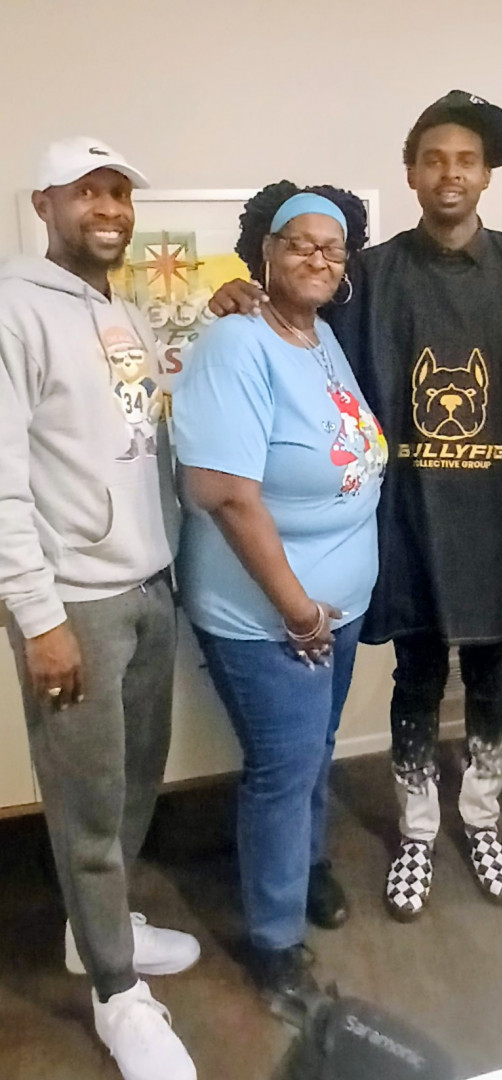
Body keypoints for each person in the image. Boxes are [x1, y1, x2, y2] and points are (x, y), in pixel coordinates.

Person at [210, 91, 502, 921]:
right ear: (412, 173)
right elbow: (294, 299)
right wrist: (235, 293)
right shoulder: (369, 275)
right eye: (434, 159)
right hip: (409, 520)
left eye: (466, 160)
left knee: (491, 677)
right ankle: (418, 831)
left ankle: (483, 818)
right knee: (418, 676)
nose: (450, 173)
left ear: (487, 174)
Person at [0, 137, 198, 1080]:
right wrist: (38, 618)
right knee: (86, 807)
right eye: (88, 191)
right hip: (74, 604)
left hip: (149, 584)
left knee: (134, 781)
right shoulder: (14, 305)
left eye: (119, 192)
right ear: (45, 204)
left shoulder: (118, 308)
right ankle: (117, 994)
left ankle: (99, 934)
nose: (109, 208)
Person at [172, 184, 387, 1005]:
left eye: (332, 248)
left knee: (312, 752)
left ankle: (307, 864)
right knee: (282, 769)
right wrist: (298, 609)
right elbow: (226, 494)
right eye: (300, 242)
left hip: (336, 607)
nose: (318, 258)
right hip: (269, 617)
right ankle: (273, 942)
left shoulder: (321, 335)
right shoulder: (236, 344)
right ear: (265, 249)